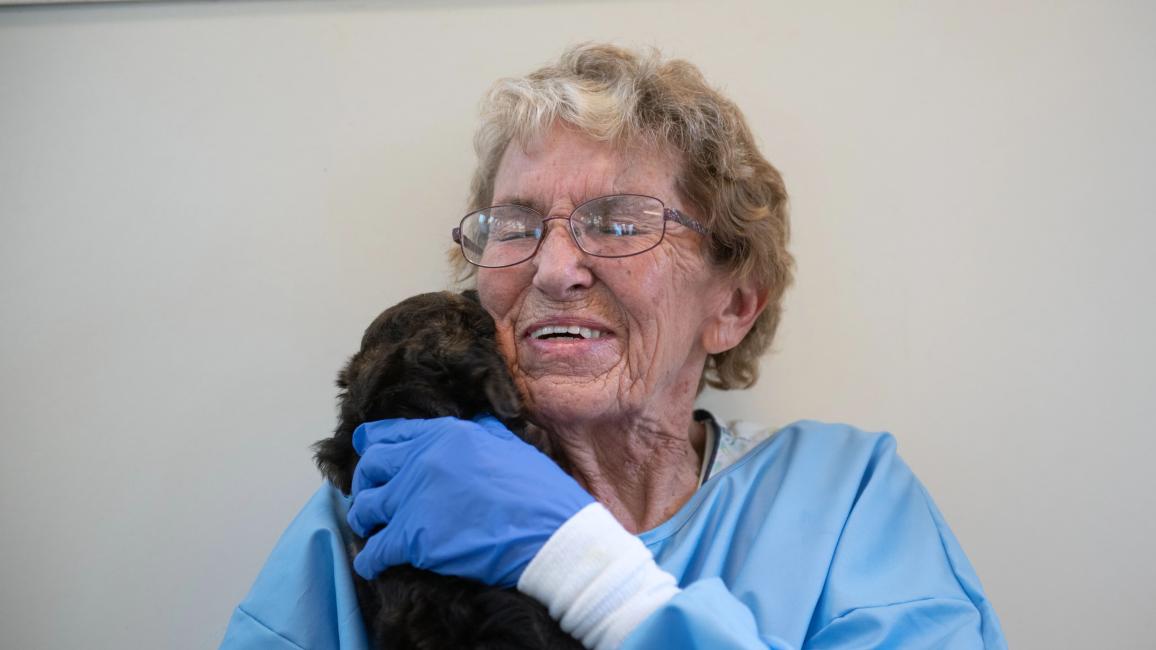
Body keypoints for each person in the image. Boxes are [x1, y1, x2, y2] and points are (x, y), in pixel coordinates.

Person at [221, 44, 1006, 649]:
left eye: (622, 222)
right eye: (517, 226)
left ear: (731, 306)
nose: (554, 269)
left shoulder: (841, 495)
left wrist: (583, 568)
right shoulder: (391, 500)